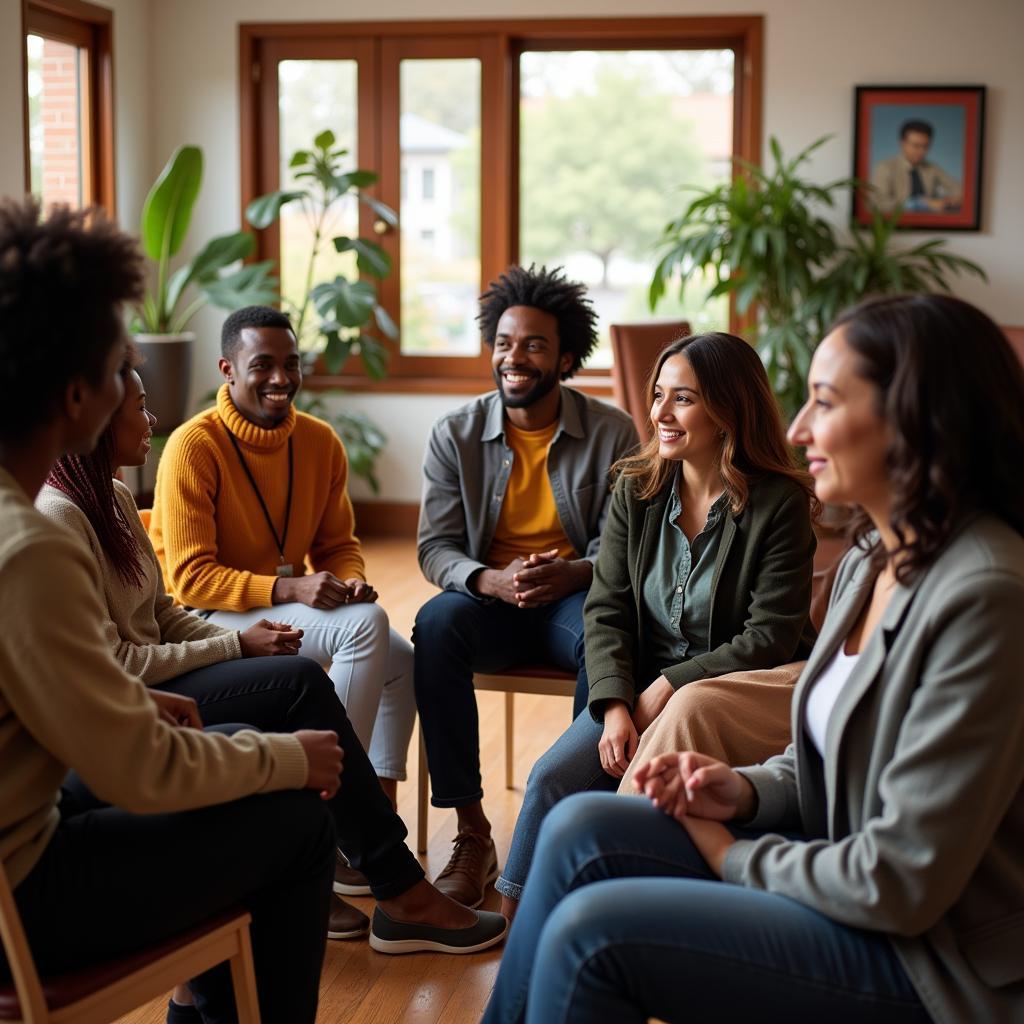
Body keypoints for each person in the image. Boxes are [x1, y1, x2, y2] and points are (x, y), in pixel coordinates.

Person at [483, 293, 1024, 1024]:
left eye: (824, 402)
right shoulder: (871, 557)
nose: (799, 428)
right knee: (579, 823)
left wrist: (728, 853)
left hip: (930, 955)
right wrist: (739, 792)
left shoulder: (986, 593)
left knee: (593, 934)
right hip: (835, 858)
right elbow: (829, 754)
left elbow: (899, 882)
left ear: (917, 417)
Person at [36, 357, 507, 980]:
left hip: (174, 670)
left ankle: (371, 871)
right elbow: (118, 661)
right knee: (301, 682)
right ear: (95, 419)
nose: (150, 418)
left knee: (335, 667)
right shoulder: (60, 515)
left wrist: (263, 634)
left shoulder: (116, 497)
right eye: (138, 407)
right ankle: (393, 885)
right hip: (142, 693)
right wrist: (235, 645)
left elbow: (163, 613)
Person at [0, 197, 344, 1023]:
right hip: (25, 894)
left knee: (230, 745)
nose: (137, 392)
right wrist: (292, 760)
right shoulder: (35, 545)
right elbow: (140, 774)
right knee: (294, 817)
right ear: (77, 395)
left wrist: (127, 702)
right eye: (125, 372)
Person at [494, 331, 818, 918]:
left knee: (624, 803)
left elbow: (768, 635)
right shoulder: (635, 488)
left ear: (728, 411)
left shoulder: (779, 504)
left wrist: (668, 686)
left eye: (684, 399)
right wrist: (615, 704)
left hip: (734, 693)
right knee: (550, 781)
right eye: (659, 395)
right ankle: (523, 934)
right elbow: (606, 606)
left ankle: (603, 917)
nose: (660, 414)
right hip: (637, 690)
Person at [413, 265, 638, 908]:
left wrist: (573, 572)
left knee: (609, 637)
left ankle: (575, 833)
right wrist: (491, 578)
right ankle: (472, 832)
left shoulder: (612, 431)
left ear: (565, 357)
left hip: (572, 597)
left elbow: (621, 548)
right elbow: (436, 548)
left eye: (534, 345)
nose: (514, 357)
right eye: (505, 342)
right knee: (435, 625)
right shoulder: (454, 434)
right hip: (492, 599)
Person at [149, 306, 414, 841]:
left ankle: (377, 810)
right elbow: (191, 579)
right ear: (227, 369)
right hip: (206, 618)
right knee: (365, 626)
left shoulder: (319, 442)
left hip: (275, 605)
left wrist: (350, 577)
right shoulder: (192, 446)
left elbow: (338, 545)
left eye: (291, 364)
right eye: (263, 364)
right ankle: (340, 816)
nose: (281, 378)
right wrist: (290, 586)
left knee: (404, 660)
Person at [870, 118, 962, 214]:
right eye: (916, 146)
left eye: (926, 146)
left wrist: (949, 200)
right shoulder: (885, 168)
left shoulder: (932, 168)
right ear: (902, 143)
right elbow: (878, 203)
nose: (922, 152)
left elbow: (958, 189)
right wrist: (921, 204)